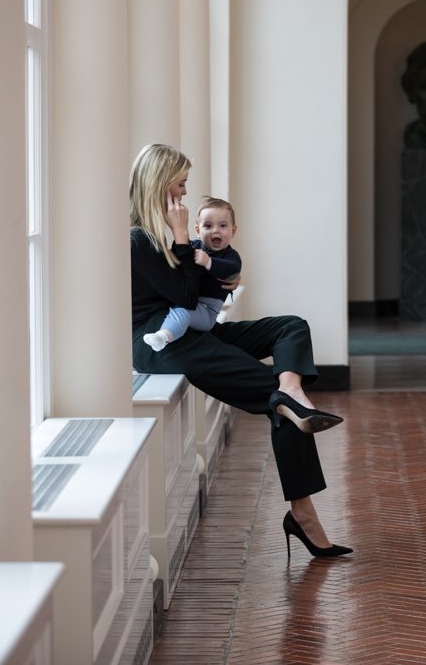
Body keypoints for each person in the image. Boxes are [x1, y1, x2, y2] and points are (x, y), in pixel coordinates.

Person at [129, 143, 351, 559]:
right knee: (279, 404)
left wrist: (222, 273)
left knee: (290, 327)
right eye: (179, 185)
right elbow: (183, 291)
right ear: (159, 185)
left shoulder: (159, 232)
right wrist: (183, 239)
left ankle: (291, 387)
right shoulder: (139, 238)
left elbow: (195, 287)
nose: (183, 195)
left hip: (194, 334)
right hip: (160, 345)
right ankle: (303, 514)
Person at [142, 196, 243, 352]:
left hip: (208, 311)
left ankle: (163, 337)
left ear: (233, 230)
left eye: (223, 225)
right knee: (180, 309)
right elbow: (177, 258)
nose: (215, 230)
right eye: (208, 226)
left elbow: (231, 269)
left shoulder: (230, 256)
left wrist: (209, 262)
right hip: (192, 301)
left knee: (184, 312)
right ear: (197, 230)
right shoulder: (194, 246)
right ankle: (163, 334)